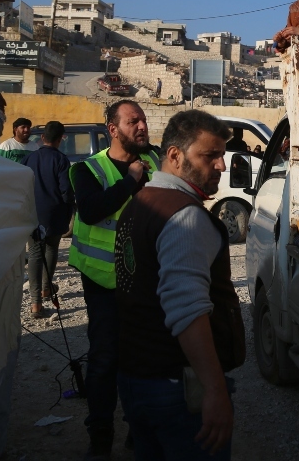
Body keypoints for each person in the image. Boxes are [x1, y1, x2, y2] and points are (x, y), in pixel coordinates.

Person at [114, 110, 245, 460]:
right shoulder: (184, 216)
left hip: (137, 380)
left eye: (222, 155)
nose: (220, 165)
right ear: (174, 155)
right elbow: (187, 311)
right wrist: (215, 391)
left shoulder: (139, 202)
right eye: (209, 155)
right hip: (175, 388)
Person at [68, 100, 162, 459]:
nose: (141, 126)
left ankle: (138, 430)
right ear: (113, 129)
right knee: (105, 359)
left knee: (144, 359)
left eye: (143, 120)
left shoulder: (156, 161)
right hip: (104, 283)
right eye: (132, 121)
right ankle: (101, 436)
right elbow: (91, 212)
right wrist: (131, 181)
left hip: (146, 282)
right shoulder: (87, 170)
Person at [23, 121, 74, 319]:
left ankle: (36, 303)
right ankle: (46, 289)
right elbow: (66, 190)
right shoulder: (62, 160)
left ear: (43, 138)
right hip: (55, 213)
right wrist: (71, 205)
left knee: (35, 252)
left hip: (33, 213)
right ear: (61, 138)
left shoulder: (29, 159)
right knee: (52, 247)